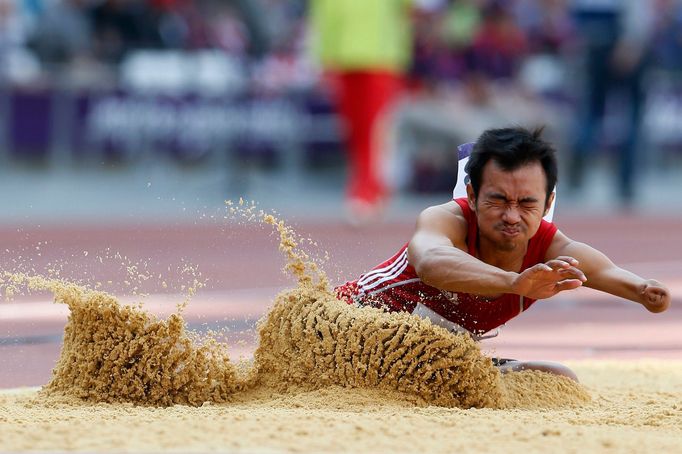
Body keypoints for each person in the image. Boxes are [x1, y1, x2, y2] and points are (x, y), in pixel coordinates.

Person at [335, 126, 671, 381]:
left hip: (427, 361)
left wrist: (644, 291)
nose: (511, 216)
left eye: (526, 204)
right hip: (345, 330)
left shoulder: (550, 248)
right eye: (498, 200)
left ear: (547, 203)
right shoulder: (446, 221)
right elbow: (429, 262)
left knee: (558, 379)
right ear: (472, 193)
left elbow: (606, 272)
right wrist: (514, 282)